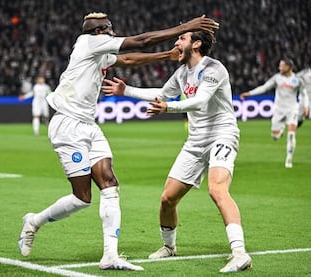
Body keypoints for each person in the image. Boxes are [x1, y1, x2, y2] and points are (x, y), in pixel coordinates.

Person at [18, 12, 219, 271]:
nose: (113, 32)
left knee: (110, 184)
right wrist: (187, 27)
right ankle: (33, 222)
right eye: (109, 28)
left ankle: (110, 256)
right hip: (67, 125)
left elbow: (127, 59)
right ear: (102, 30)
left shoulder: (99, 50)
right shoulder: (87, 43)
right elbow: (141, 42)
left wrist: (164, 56)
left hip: (88, 126)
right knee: (82, 198)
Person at [102, 30, 252, 273]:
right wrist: (126, 91)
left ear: (196, 44)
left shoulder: (214, 68)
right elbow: (162, 93)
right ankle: (169, 247)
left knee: (217, 189)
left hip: (222, 135)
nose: (176, 43)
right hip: (195, 141)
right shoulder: (182, 72)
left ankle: (239, 253)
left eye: (181, 39)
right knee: (167, 198)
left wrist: (168, 108)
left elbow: (200, 101)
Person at [240, 59, 309, 168]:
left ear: (289, 67)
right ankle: (280, 131)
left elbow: (304, 94)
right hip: (278, 110)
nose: (279, 68)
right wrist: (249, 93)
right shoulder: (277, 78)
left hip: (292, 109)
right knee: (275, 136)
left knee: (291, 134)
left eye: (281, 66)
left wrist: (306, 106)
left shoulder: (297, 80)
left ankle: (289, 160)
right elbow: (264, 87)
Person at [296, 60, 311, 127]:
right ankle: (292, 132)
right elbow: (294, 78)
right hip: (304, 98)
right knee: (298, 117)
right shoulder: (304, 73)